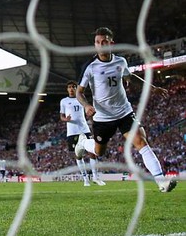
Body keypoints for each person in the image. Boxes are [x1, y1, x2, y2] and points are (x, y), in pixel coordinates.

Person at [74, 27, 176, 193]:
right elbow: (79, 92)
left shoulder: (121, 62)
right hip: (102, 118)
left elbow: (130, 77)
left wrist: (153, 87)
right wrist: (86, 105)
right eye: (98, 42)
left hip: (124, 112)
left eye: (104, 41)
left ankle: (161, 182)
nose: (101, 45)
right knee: (99, 152)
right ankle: (84, 143)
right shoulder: (90, 67)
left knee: (141, 142)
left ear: (111, 43)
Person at [60, 80, 105, 187]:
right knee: (78, 155)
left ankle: (95, 177)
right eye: (69, 87)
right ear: (67, 89)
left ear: (76, 88)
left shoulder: (81, 98)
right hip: (72, 131)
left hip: (84, 129)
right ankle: (85, 179)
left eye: (73, 87)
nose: (71, 89)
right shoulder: (64, 101)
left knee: (92, 152)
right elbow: (61, 116)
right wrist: (65, 119)